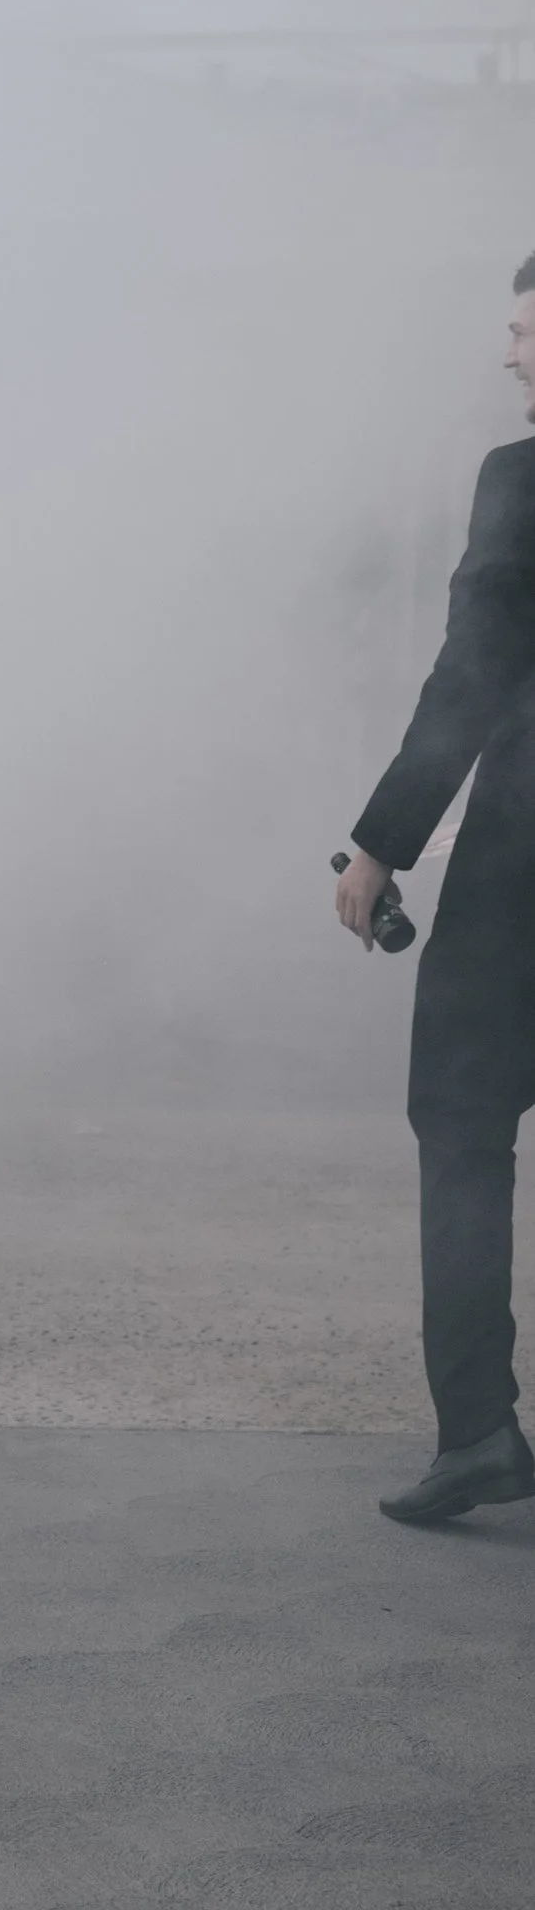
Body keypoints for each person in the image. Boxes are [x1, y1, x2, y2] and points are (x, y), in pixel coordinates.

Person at [337, 251, 535, 1528]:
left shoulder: (519, 480)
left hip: (524, 870)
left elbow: (472, 673)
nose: (512, 353)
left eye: (527, 332)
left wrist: (378, 841)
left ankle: (477, 1436)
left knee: (462, 1132)